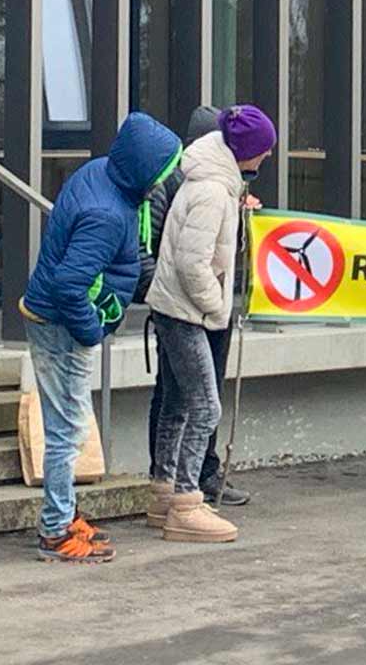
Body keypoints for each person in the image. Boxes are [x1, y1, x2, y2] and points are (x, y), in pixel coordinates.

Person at [21, 110, 181, 563]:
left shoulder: (100, 173)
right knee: (67, 431)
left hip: (52, 319)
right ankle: (54, 532)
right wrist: (91, 333)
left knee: (67, 426)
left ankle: (64, 515)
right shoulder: (109, 214)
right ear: (145, 171)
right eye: (163, 171)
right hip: (60, 328)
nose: (163, 182)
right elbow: (70, 283)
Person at [145, 105, 273, 543]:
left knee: (179, 403)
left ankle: (163, 492)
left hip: (177, 307)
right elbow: (192, 263)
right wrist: (216, 308)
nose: (268, 156)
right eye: (264, 149)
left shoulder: (213, 181)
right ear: (246, 152)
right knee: (206, 406)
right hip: (186, 311)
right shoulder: (213, 192)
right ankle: (186, 501)